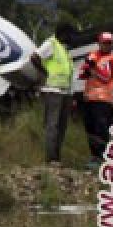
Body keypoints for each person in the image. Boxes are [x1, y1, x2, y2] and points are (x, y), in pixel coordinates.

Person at [30, 21, 76, 164]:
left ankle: (57, 157)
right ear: (63, 34)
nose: (71, 37)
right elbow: (34, 57)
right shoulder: (51, 44)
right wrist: (45, 72)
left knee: (62, 126)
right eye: (69, 34)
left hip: (65, 92)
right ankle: (51, 158)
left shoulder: (63, 48)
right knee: (53, 125)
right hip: (53, 91)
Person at [79, 31, 113, 169]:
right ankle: (95, 156)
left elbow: (106, 77)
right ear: (99, 43)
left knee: (101, 129)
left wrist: (93, 68)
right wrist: (88, 68)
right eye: (104, 43)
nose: (107, 46)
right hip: (89, 97)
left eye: (109, 43)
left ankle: (104, 157)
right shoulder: (93, 55)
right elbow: (82, 74)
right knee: (90, 128)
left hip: (103, 100)